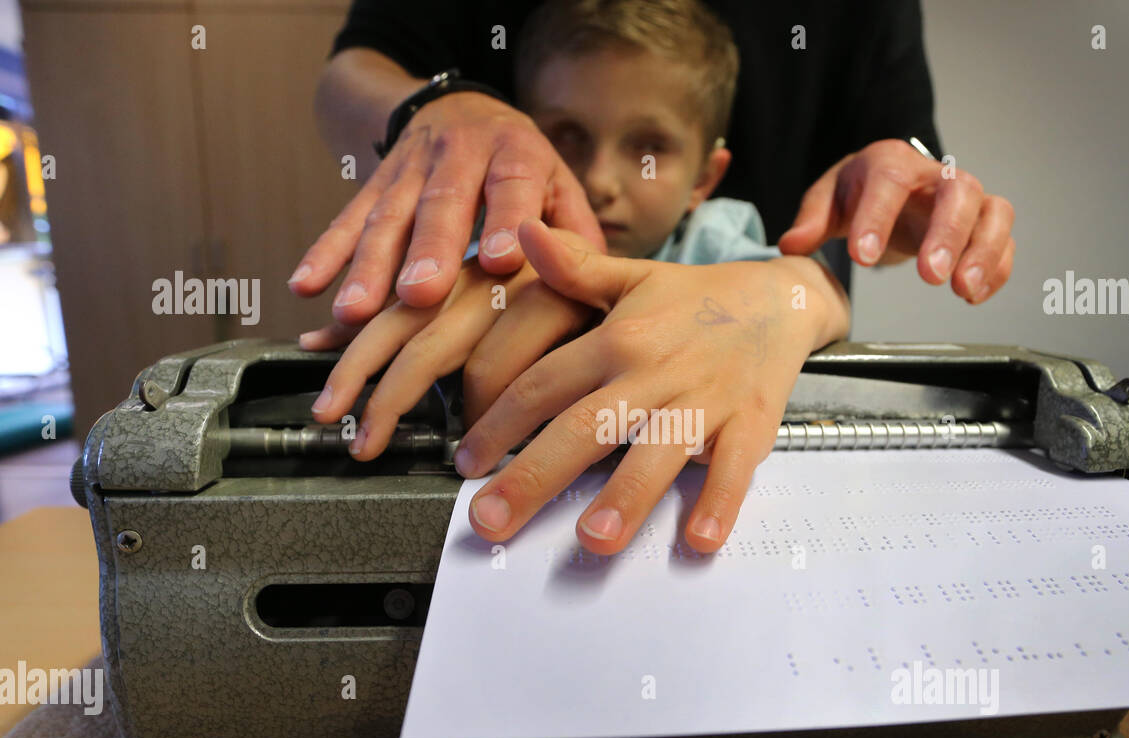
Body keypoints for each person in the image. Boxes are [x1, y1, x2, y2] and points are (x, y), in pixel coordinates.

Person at [304, 0, 852, 556]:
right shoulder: (493, 246)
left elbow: (814, 298)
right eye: (567, 135)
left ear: (702, 180)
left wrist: (789, 294)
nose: (600, 180)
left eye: (648, 147)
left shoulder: (715, 241)